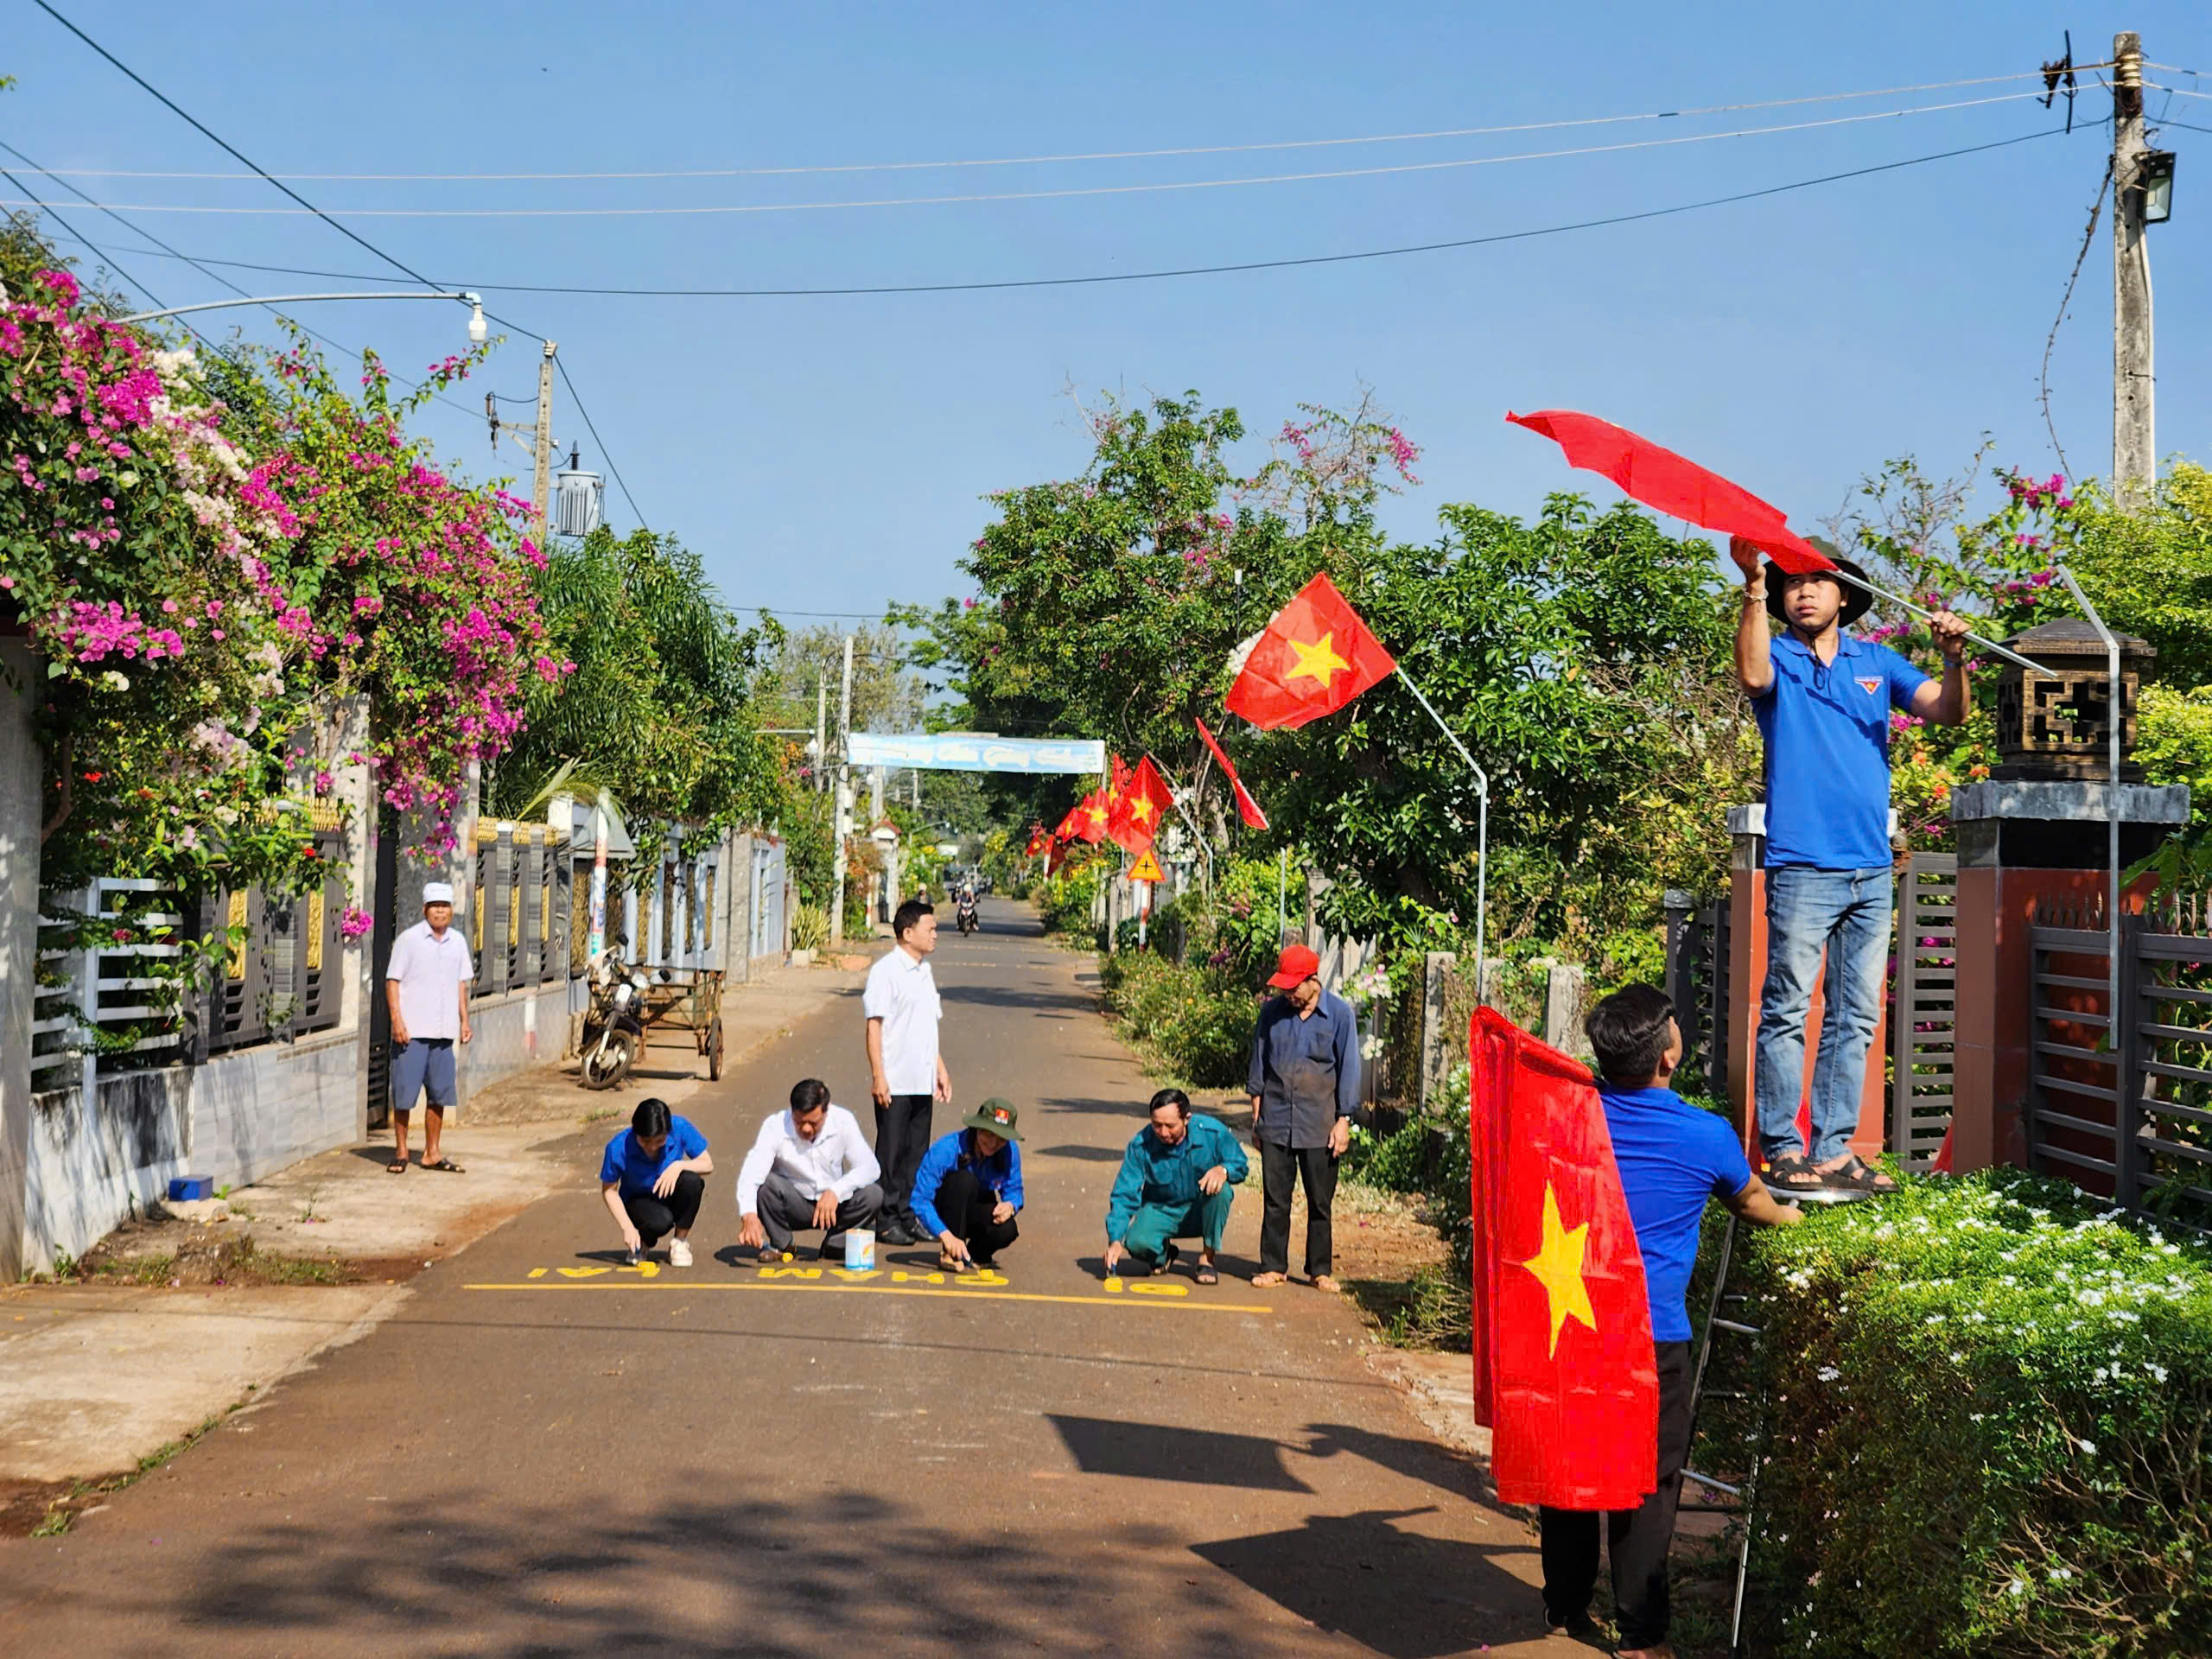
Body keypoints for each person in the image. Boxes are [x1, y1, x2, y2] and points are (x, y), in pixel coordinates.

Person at [1540, 984, 1803, 1658]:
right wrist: (1793, 1216)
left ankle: (1565, 1611)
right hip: (1650, 1342)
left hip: (1568, 1329)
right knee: (1647, 1489)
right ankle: (1641, 1636)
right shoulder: (1704, 1136)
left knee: (1570, 1474)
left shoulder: (1572, 1117)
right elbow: (1756, 1206)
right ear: (1667, 1057)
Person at [1731, 535, 1970, 1193]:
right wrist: (1752, 584)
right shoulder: (1774, 652)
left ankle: (1834, 1149)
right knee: (1785, 1009)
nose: (1801, 591)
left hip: (1870, 869)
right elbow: (1752, 677)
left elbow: (1947, 712)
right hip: (1804, 866)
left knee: (1856, 1015)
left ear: (1845, 595)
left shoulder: (1877, 662)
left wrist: (1954, 659)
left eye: (1815, 581)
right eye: (1790, 584)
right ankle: (1782, 1148)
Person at [1245, 942, 1358, 1291]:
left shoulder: (1340, 1015)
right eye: (1285, 989)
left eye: (1294, 988)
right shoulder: (1271, 1014)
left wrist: (1343, 1121)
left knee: (1319, 1202)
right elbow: (1259, 1064)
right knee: (1275, 1199)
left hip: (1320, 1124)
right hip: (1276, 1119)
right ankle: (1273, 1266)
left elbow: (1350, 1069)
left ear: (1313, 980)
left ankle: (1320, 1269)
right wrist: (1257, 1118)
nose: (1289, 995)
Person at [863, 897, 951, 1244]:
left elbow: (929, 1026)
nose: (935, 935)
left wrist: (940, 1069)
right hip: (895, 1080)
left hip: (921, 1079)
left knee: (917, 1152)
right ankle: (885, 1220)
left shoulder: (924, 971)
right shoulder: (886, 971)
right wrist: (878, 1076)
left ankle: (909, 1215)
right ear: (907, 932)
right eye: (929, 929)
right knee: (891, 1152)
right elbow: (874, 1026)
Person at [1103, 1089, 1249, 1285]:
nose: (1163, 1132)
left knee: (1222, 1191)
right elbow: (1124, 1194)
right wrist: (1115, 1240)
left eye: (1170, 1126)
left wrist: (1223, 1170)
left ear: (1186, 1118)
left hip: (1200, 1210)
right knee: (1136, 1242)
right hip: (1163, 1210)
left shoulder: (1213, 1133)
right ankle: (1163, 1254)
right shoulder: (1141, 1144)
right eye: (1156, 1125)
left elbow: (1240, 1164)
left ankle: (1207, 1258)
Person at [735, 1078, 884, 1259]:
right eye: (799, 1122)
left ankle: (835, 1244)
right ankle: (782, 1245)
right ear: (791, 1111)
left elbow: (870, 1167)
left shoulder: (843, 1120)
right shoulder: (775, 1125)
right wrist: (749, 1214)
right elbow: (752, 1171)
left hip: (835, 1206)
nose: (806, 1129)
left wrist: (836, 1191)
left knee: (873, 1194)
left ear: (826, 1111)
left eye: (813, 1123)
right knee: (766, 1185)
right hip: (795, 1204)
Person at [384, 880, 472, 1174]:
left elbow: (461, 985)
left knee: (440, 1095)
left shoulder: (457, 942)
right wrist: (397, 1020)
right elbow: (392, 981)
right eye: (435, 906)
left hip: (444, 1032)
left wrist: (465, 1021)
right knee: (405, 1094)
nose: (440, 912)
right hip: (412, 1031)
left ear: (451, 910)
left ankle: (432, 1153)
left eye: (445, 906)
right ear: (425, 910)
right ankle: (401, 1151)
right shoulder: (409, 940)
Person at [911, 1096, 1026, 1273]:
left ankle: (975, 1254)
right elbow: (920, 1200)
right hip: (946, 1207)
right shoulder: (946, 1149)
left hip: (976, 1207)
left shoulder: (1010, 1151)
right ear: (977, 1128)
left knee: (1008, 1229)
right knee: (965, 1181)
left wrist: (1011, 1205)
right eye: (988, 1134)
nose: (994, 1144)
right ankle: (951, 1252)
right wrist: (946, 1235)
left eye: (1001, 1139)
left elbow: (1015, 1191)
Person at [598, 1096, 713, 1266]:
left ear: (668, 1132)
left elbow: (707, 1164)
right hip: (637, 1200)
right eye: (645, 1141)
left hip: (668, 1192)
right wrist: (627, 1227)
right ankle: (642, 1241)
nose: (652, 1147)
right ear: (635, 1132)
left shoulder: (680, 1127)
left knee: (692, 1181)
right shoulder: (617, 1147)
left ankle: (679, 1243)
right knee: (661, 1222)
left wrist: (678, 1166)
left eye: (659, 1141)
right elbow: (609, 1190)